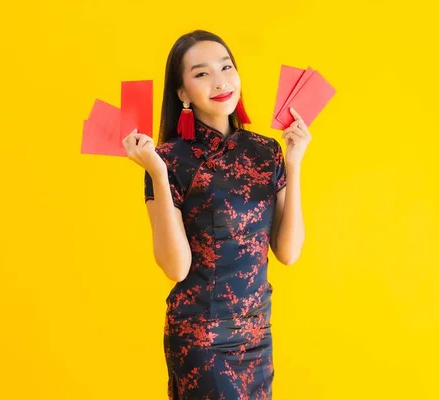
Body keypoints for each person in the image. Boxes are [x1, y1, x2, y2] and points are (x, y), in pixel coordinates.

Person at [122, 29, 310, 399]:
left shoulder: (266, 151)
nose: (220, 81)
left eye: (226, 67)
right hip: (201, 338)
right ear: (182, 94)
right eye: (201, 73)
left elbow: (287, 253)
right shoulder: (169, 160)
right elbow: (175, 268)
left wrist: (295, 162)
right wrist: (157, 172)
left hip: (257, 335)